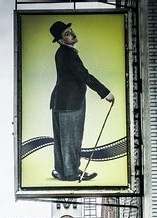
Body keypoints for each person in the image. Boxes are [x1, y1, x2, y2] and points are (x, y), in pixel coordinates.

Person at [49, 20, 115, 182]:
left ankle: (61, 171)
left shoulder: (62, 53)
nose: (72, 34)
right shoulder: (68, 54)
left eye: (71, 30)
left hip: (60, 102)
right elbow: (84, 75)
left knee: (61, 140)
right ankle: (71, 174)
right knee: (71, 139)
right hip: (70, 104)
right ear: (60, 40)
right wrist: (105, 92)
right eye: (67, 33)